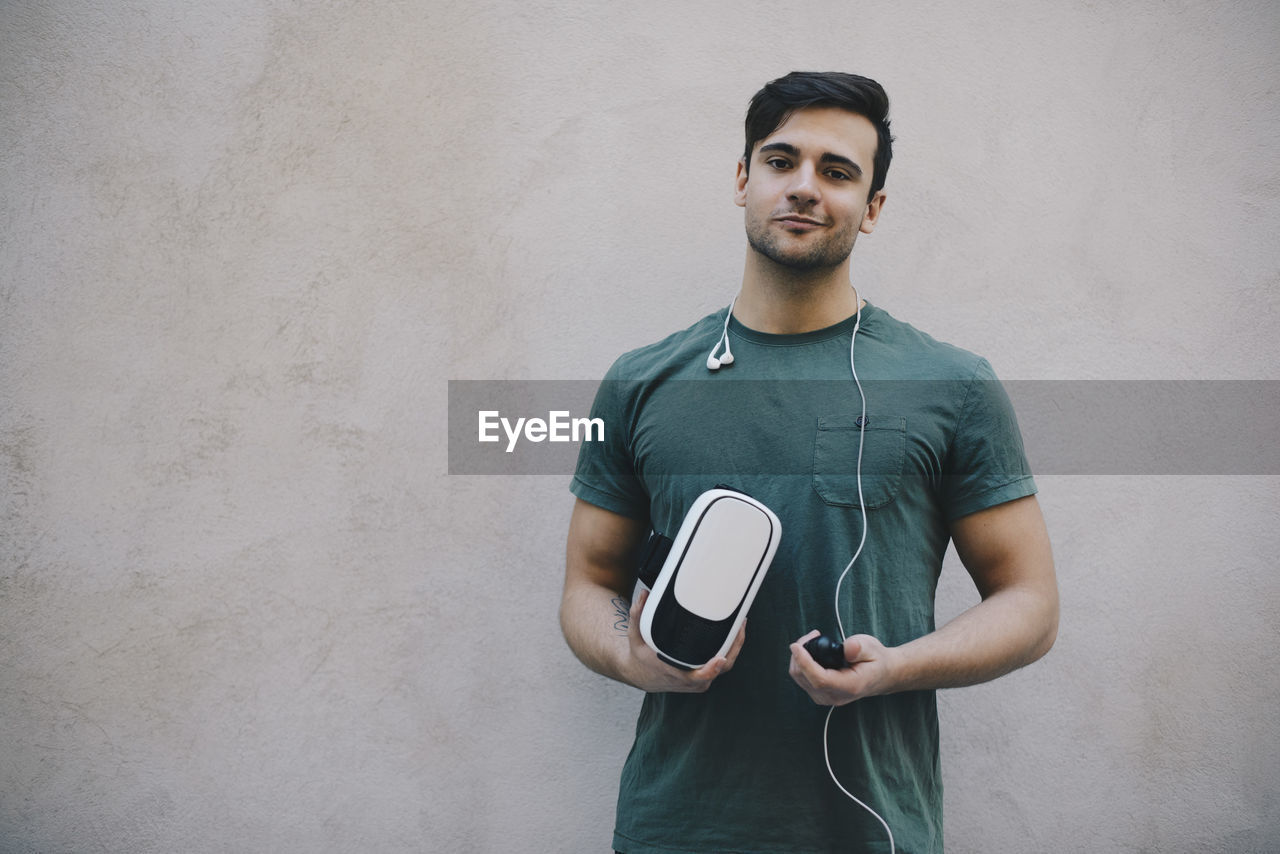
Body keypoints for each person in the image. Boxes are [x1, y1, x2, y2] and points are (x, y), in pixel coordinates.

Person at [560, 71, 1058, 854]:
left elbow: (1030, 605)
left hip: (870, 830)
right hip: (676, 829)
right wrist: (630, 654)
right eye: (780, 160)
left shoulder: (952, 386)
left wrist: (894, 667)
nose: (803, 188)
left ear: (873, 209)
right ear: (742, 178)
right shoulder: (639, 381)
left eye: (837, 171)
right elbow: (588, 584)